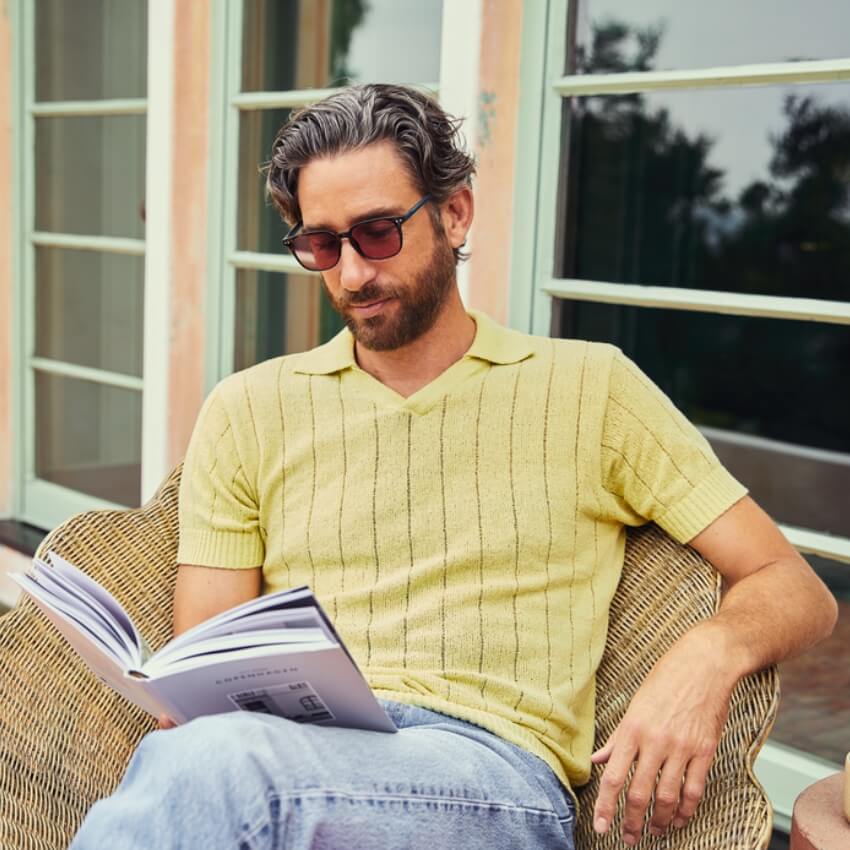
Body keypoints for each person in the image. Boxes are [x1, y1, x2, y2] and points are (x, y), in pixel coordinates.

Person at [70, 84, 837, 850]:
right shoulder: (248, 408)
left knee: (220, 769)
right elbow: (209, 659)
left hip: (488, 778)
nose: (351, 274)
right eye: (321, 244)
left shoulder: (590, 388)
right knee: (205, 758)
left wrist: (708, 653)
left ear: (455, 213)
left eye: (375, 233)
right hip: (287, 755)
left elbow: (795, 586)